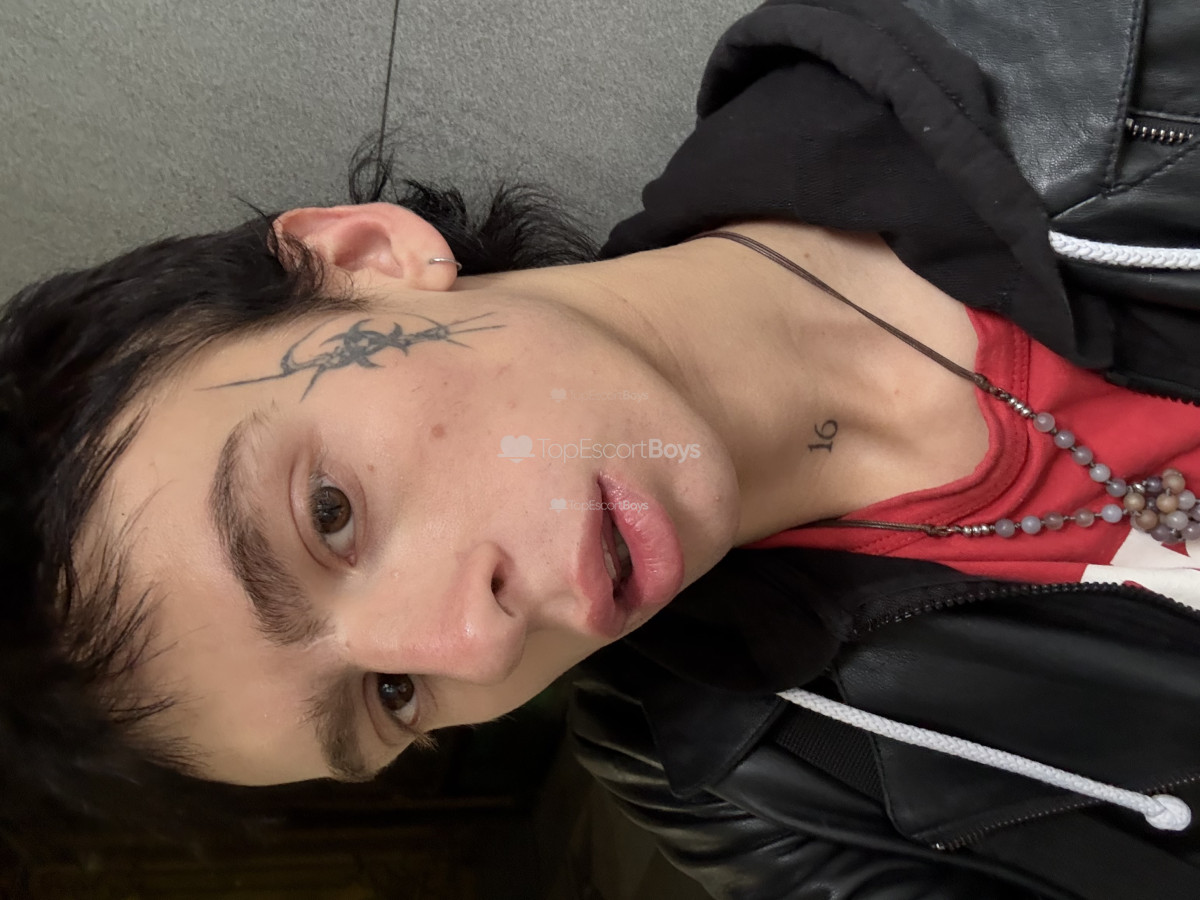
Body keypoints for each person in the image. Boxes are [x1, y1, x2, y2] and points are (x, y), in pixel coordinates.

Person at [2, 0, 1198, 895]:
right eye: (392, 698)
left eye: (328, 514)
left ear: (367, 259)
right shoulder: (751, 790)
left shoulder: (1088, 40)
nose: (478, 647)